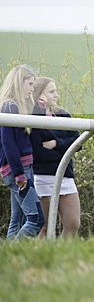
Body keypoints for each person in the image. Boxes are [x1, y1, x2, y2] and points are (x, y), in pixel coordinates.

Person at [30, 77, 81, 238]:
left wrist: (55, 143)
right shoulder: (33, 117)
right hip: (43, 177)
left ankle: (62, 253)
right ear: (40, 95)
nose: (56, 95)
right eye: (52, 92)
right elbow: (37, 152)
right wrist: (64, 152)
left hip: (66, 175)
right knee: (43, 227)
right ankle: (39, 253)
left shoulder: (63, 115)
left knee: (73, 224)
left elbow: (78, 142)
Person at [0, 65, 44, 240]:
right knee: (36, 219)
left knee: (17, 220)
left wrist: (39, 108)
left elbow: (33, 135)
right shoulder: (9, 106)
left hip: (21, 169)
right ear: (19, 82)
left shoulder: (17, 107)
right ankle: (16, 252)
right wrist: (19, 174)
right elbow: (8, 143)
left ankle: (9, 255)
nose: (32, 89)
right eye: (30, 84)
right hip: (18, 170)